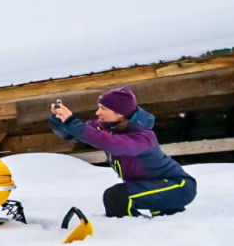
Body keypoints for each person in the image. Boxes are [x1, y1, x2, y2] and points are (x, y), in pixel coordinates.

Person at [49, 86, 196, 218]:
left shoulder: (143, 137)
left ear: (120, 113)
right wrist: (59, 120)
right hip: (153, 187)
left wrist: (71, 122)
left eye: (103, 108)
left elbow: (110, 143)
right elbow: (74, 134)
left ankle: (128, 231)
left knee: (117, 196)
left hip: (178, 187)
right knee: (163, 222)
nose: (97, 112)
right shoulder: (106, 127)